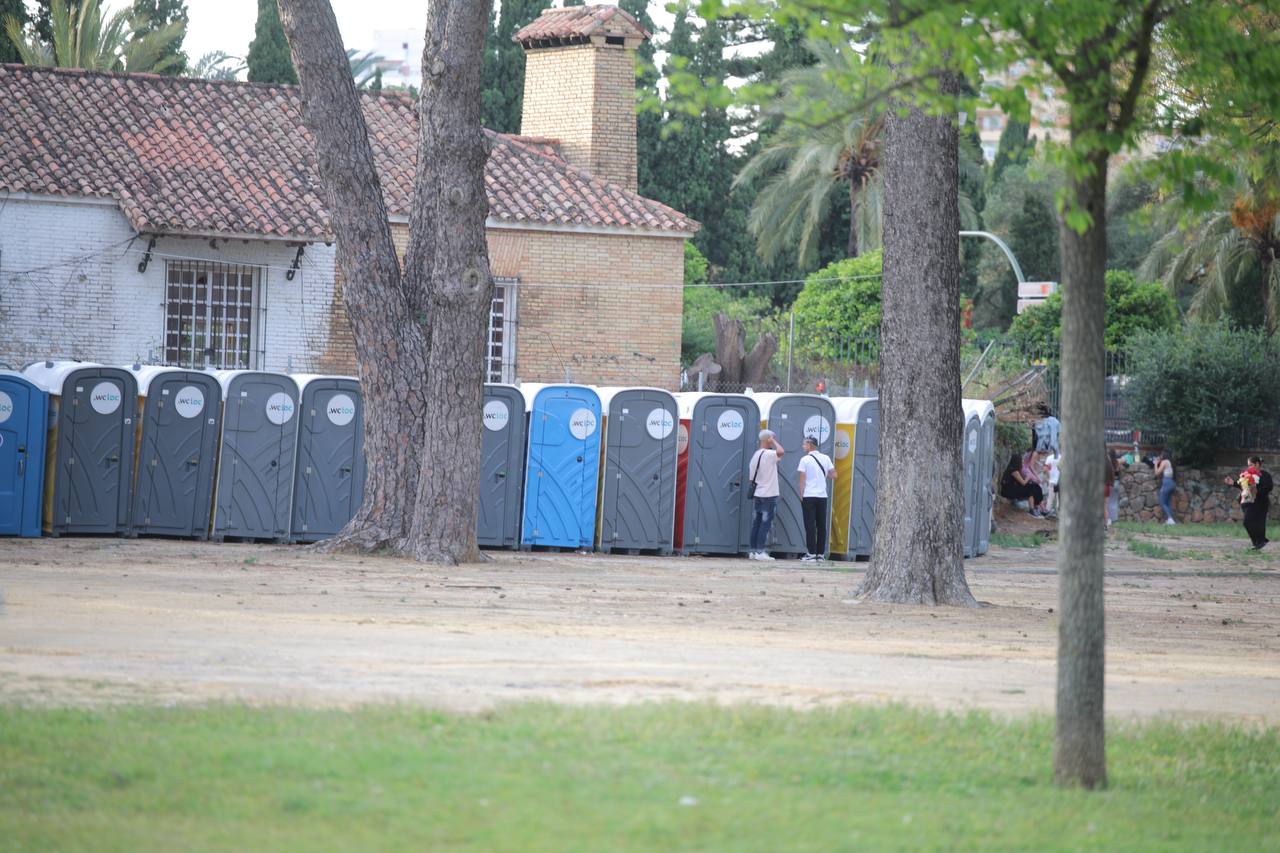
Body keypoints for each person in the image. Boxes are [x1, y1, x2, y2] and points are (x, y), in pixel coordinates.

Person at [796, 435, 837, 562]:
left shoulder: (805, 459)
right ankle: (820, 554)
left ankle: (811, 553)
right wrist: (824, 475)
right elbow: (834, 475)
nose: (803, 446)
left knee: (810, 525)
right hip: (822, 496)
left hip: (809, 495)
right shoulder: (825, 458)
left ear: (810, 444)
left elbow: (802, 478)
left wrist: (801, 495)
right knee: (821, 525)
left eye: (804, 444)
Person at [747, 429, 784, 561]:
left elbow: (751, 478)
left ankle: (753, 551)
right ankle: (760, 551)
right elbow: (781, 451)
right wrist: (773, 441)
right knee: (765, 523)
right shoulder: (768, 454)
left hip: (758, 493)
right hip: (768, 494)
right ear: (768, 439)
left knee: (756, 523)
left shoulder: (756, 455)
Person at [1225, 455, 1272, 550]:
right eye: (1248, 465)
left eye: (1251, 465)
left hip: (1261, 503)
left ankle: (1260, 542)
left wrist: (1257, 492)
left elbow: (1269, 487)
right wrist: (1233, 483)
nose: (1249, 467)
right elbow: (1244, 486)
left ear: (1257, 464)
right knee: (1247, 522)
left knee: (1258, 522)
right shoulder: (1247, 475)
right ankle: (1258, 542)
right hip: (1250, 502)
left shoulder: (1265, 475)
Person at [1001, 452, 1045, 518]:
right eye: (1020, 460)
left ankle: (1038, 508)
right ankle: (1032, 510)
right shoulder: (1014, 471)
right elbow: (1023, 483)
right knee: (1030, 490)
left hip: (1013, 488)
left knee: (1035, 486)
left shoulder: (1014, 469)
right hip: (1008, 491)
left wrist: (1031, 480)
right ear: (1017, 461)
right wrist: (1028, 477)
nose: (1021, 462)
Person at [1154, 450, 1176, 525]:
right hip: (1172, 483)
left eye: (1161, 454)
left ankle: (1170, 519)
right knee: (1168, 503)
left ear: (1164, 455)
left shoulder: (1164, 462)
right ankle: (1170, 520)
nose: (1160, 456)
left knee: (1162, 501)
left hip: (1166, 483)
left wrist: (1156, 463)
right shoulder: (1170, 462)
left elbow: (1157, 473)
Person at [1105, 448, 1122, 529]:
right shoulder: (1117, 462)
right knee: (1115, 502)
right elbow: (1125, 460)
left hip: (1110, 483)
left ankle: (1109, 519)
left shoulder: (1108, 462)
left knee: (1108, 503)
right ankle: (1115, 519)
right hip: (1117, 482)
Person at [1043, 449, 1061, 515]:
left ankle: (1048, 511)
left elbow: (1045, 470)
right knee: (1058, 499)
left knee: (1050, 498)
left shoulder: (1049, 458)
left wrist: (1049, 477)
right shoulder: (1062, 458)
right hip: (1060, 481)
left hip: (1051, 481)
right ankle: (1057, 513)